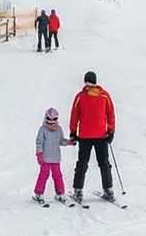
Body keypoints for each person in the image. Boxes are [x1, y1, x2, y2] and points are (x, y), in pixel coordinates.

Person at [69, 70, 116, 203]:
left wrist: (73, 132)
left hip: (85, 136)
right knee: (104, 163)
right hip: (101, 136)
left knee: (82, 163)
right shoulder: (104, 95)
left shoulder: (81, 96)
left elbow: (74, 115)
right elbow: (111, 114)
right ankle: (108, 190)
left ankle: (78, 191)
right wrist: (111, 131)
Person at [32, 107, 71, 204]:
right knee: (43, 176)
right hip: (45, 159)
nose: (51, 123)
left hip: (56, 158)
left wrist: (68, 142)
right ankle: (39, 193)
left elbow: (61, 141)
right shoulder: (43, 129)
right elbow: (39, 142)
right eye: (49, 120)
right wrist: (39, 153)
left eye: (54, 120)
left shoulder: (59, 129)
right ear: (46, 118)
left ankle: (60, 193)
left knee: (58, 176)